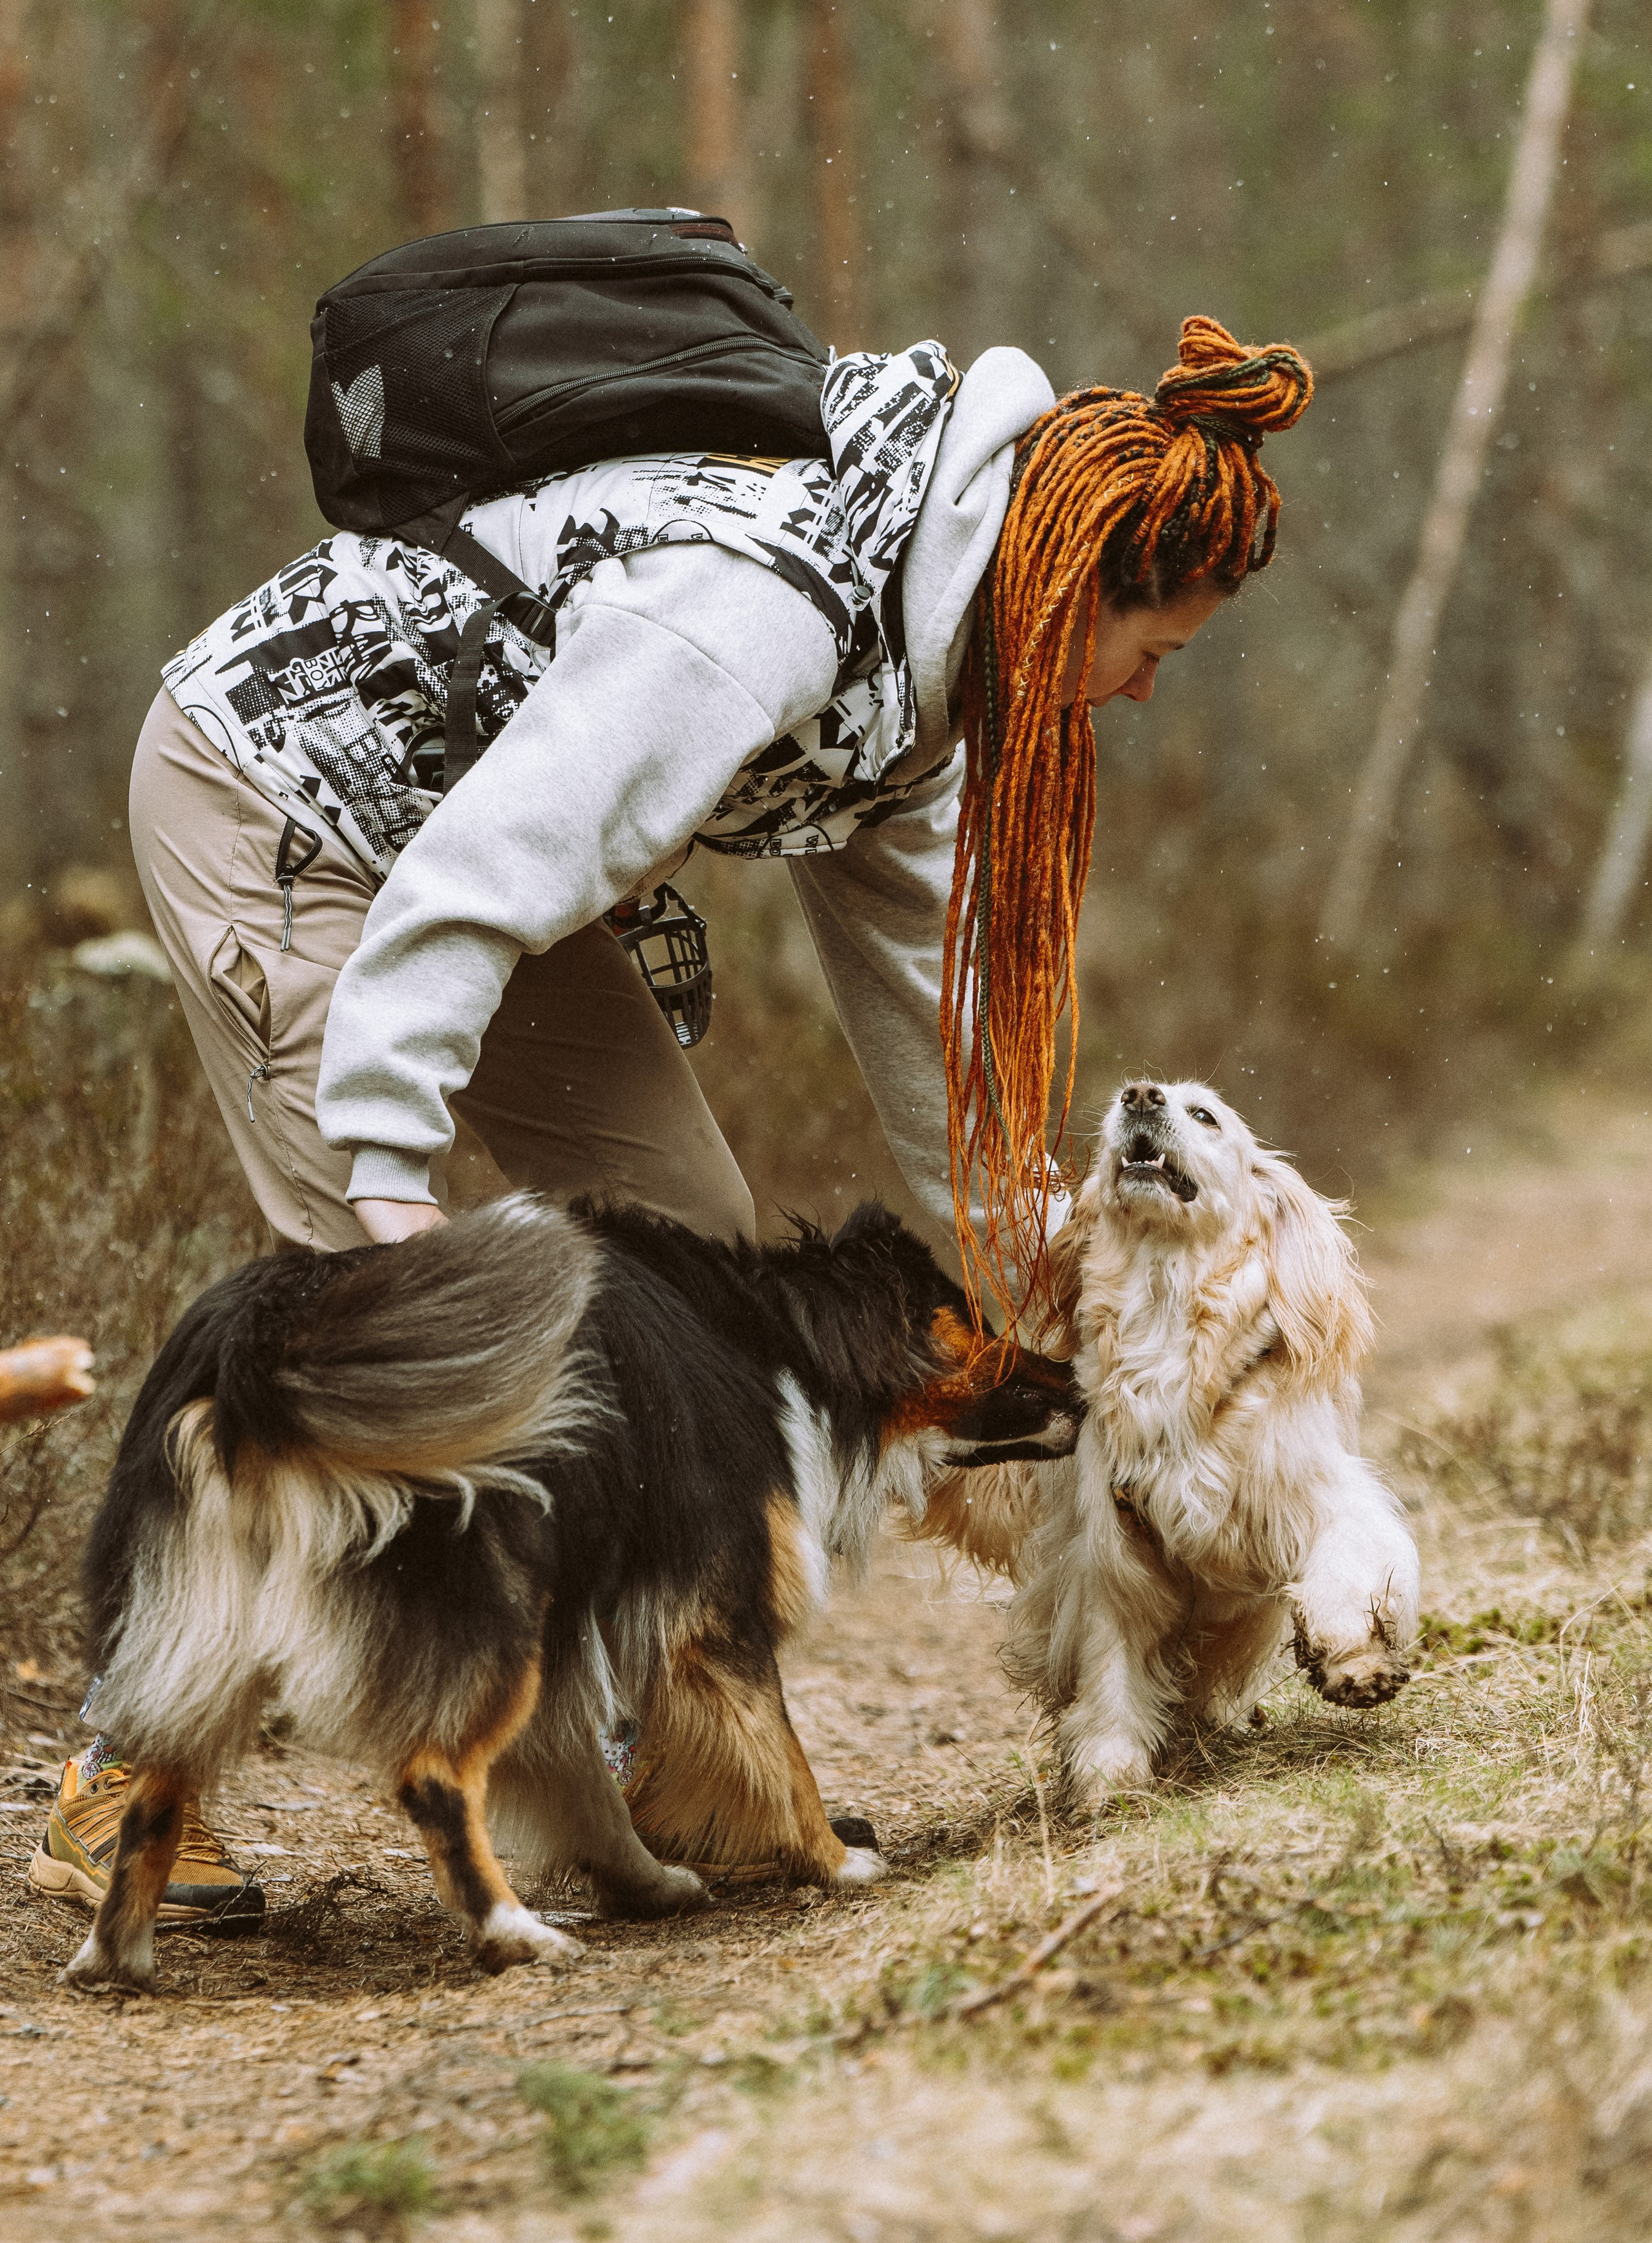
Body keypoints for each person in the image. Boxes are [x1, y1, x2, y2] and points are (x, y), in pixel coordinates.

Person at [30, 311, 1311, 1927]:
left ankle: (668, 1747)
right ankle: (123, 1774)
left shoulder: (931, 663)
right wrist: (385, 1173)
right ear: (1071, 582)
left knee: (698, 1271)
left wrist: (1030, 1236)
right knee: (373, 1342)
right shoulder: (763, 604)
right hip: (286, 801)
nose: (1131, 693)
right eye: (1152, 651)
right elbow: (481, 875)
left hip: (483, 860)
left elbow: (926, 1001)